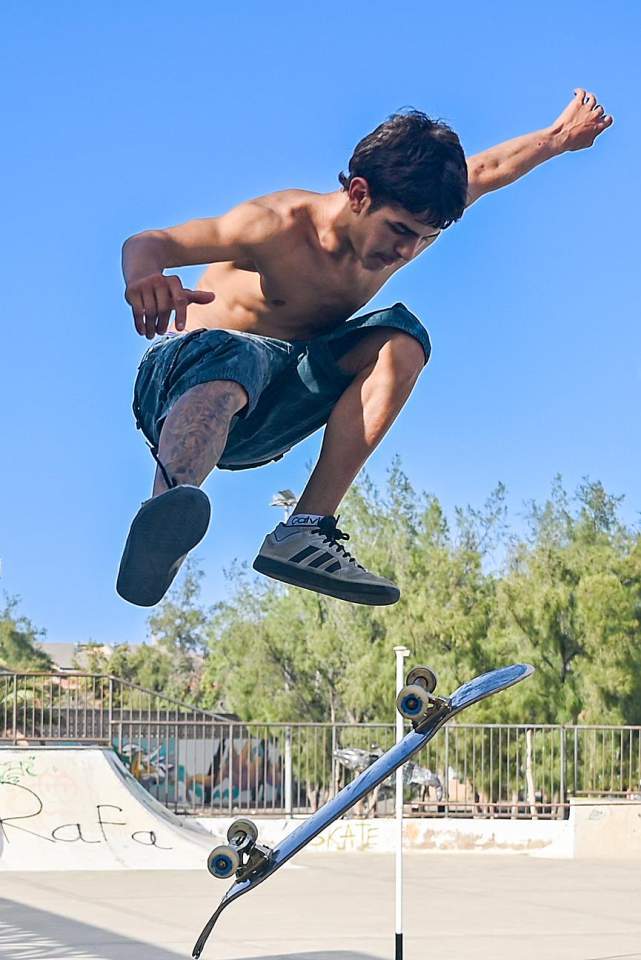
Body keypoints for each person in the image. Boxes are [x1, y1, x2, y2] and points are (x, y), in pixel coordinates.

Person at [116, 90, 612, 608]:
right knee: (238, 353)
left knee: (402, 338)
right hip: (181, 383)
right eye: (399, 231)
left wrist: (559, 138)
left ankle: (304, 531)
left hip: (269, 409)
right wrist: (145, 278)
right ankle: (164, 515)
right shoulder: (276, 225)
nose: (405, 251)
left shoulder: (416, 214)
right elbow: (149, 243)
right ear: (358, 193)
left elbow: (487, 169)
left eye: (422, 238)